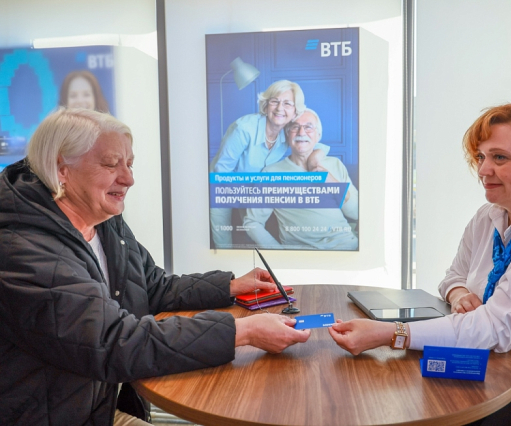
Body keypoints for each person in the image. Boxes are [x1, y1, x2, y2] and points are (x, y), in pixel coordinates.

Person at [0, 108, 311, 426]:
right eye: (111, 164)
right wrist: (243, 331)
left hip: (99, 406)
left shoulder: (103, 220)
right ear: (61, 169)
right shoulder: (21, 247)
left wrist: (229, 285)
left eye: (129, 164)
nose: (128, 179)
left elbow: (151, 286)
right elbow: (112, 342)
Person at [328, 98, 511, 425]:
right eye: (481, 157)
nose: (483, 170)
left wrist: (393, 333)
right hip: (491, 364)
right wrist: (459, 294)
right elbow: (453, 276)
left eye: (500, 157)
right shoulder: (491, 215)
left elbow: (496, 326)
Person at [209, 80, 329, 248]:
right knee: (225, 245)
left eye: (287, 103)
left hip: (256, 193)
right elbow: (220, 177)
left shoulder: (287, 131)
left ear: (295, 111)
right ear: (266, 105)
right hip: (226, 190)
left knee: (257, 236)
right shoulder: (244, 129)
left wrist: (315, 160)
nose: (280, 108)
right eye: (274, 101)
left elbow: (317, 144)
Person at [244, 108, 358, 250]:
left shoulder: (335, 164)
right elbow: (252, 222)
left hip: (348, 247)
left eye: (308, 127)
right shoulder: (271, 174)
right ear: (287, 134)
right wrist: (279, 254)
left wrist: (334, 184)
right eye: (295, 127)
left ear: (318, 135)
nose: (301, 132)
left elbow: (356, 213)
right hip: (305, 254)